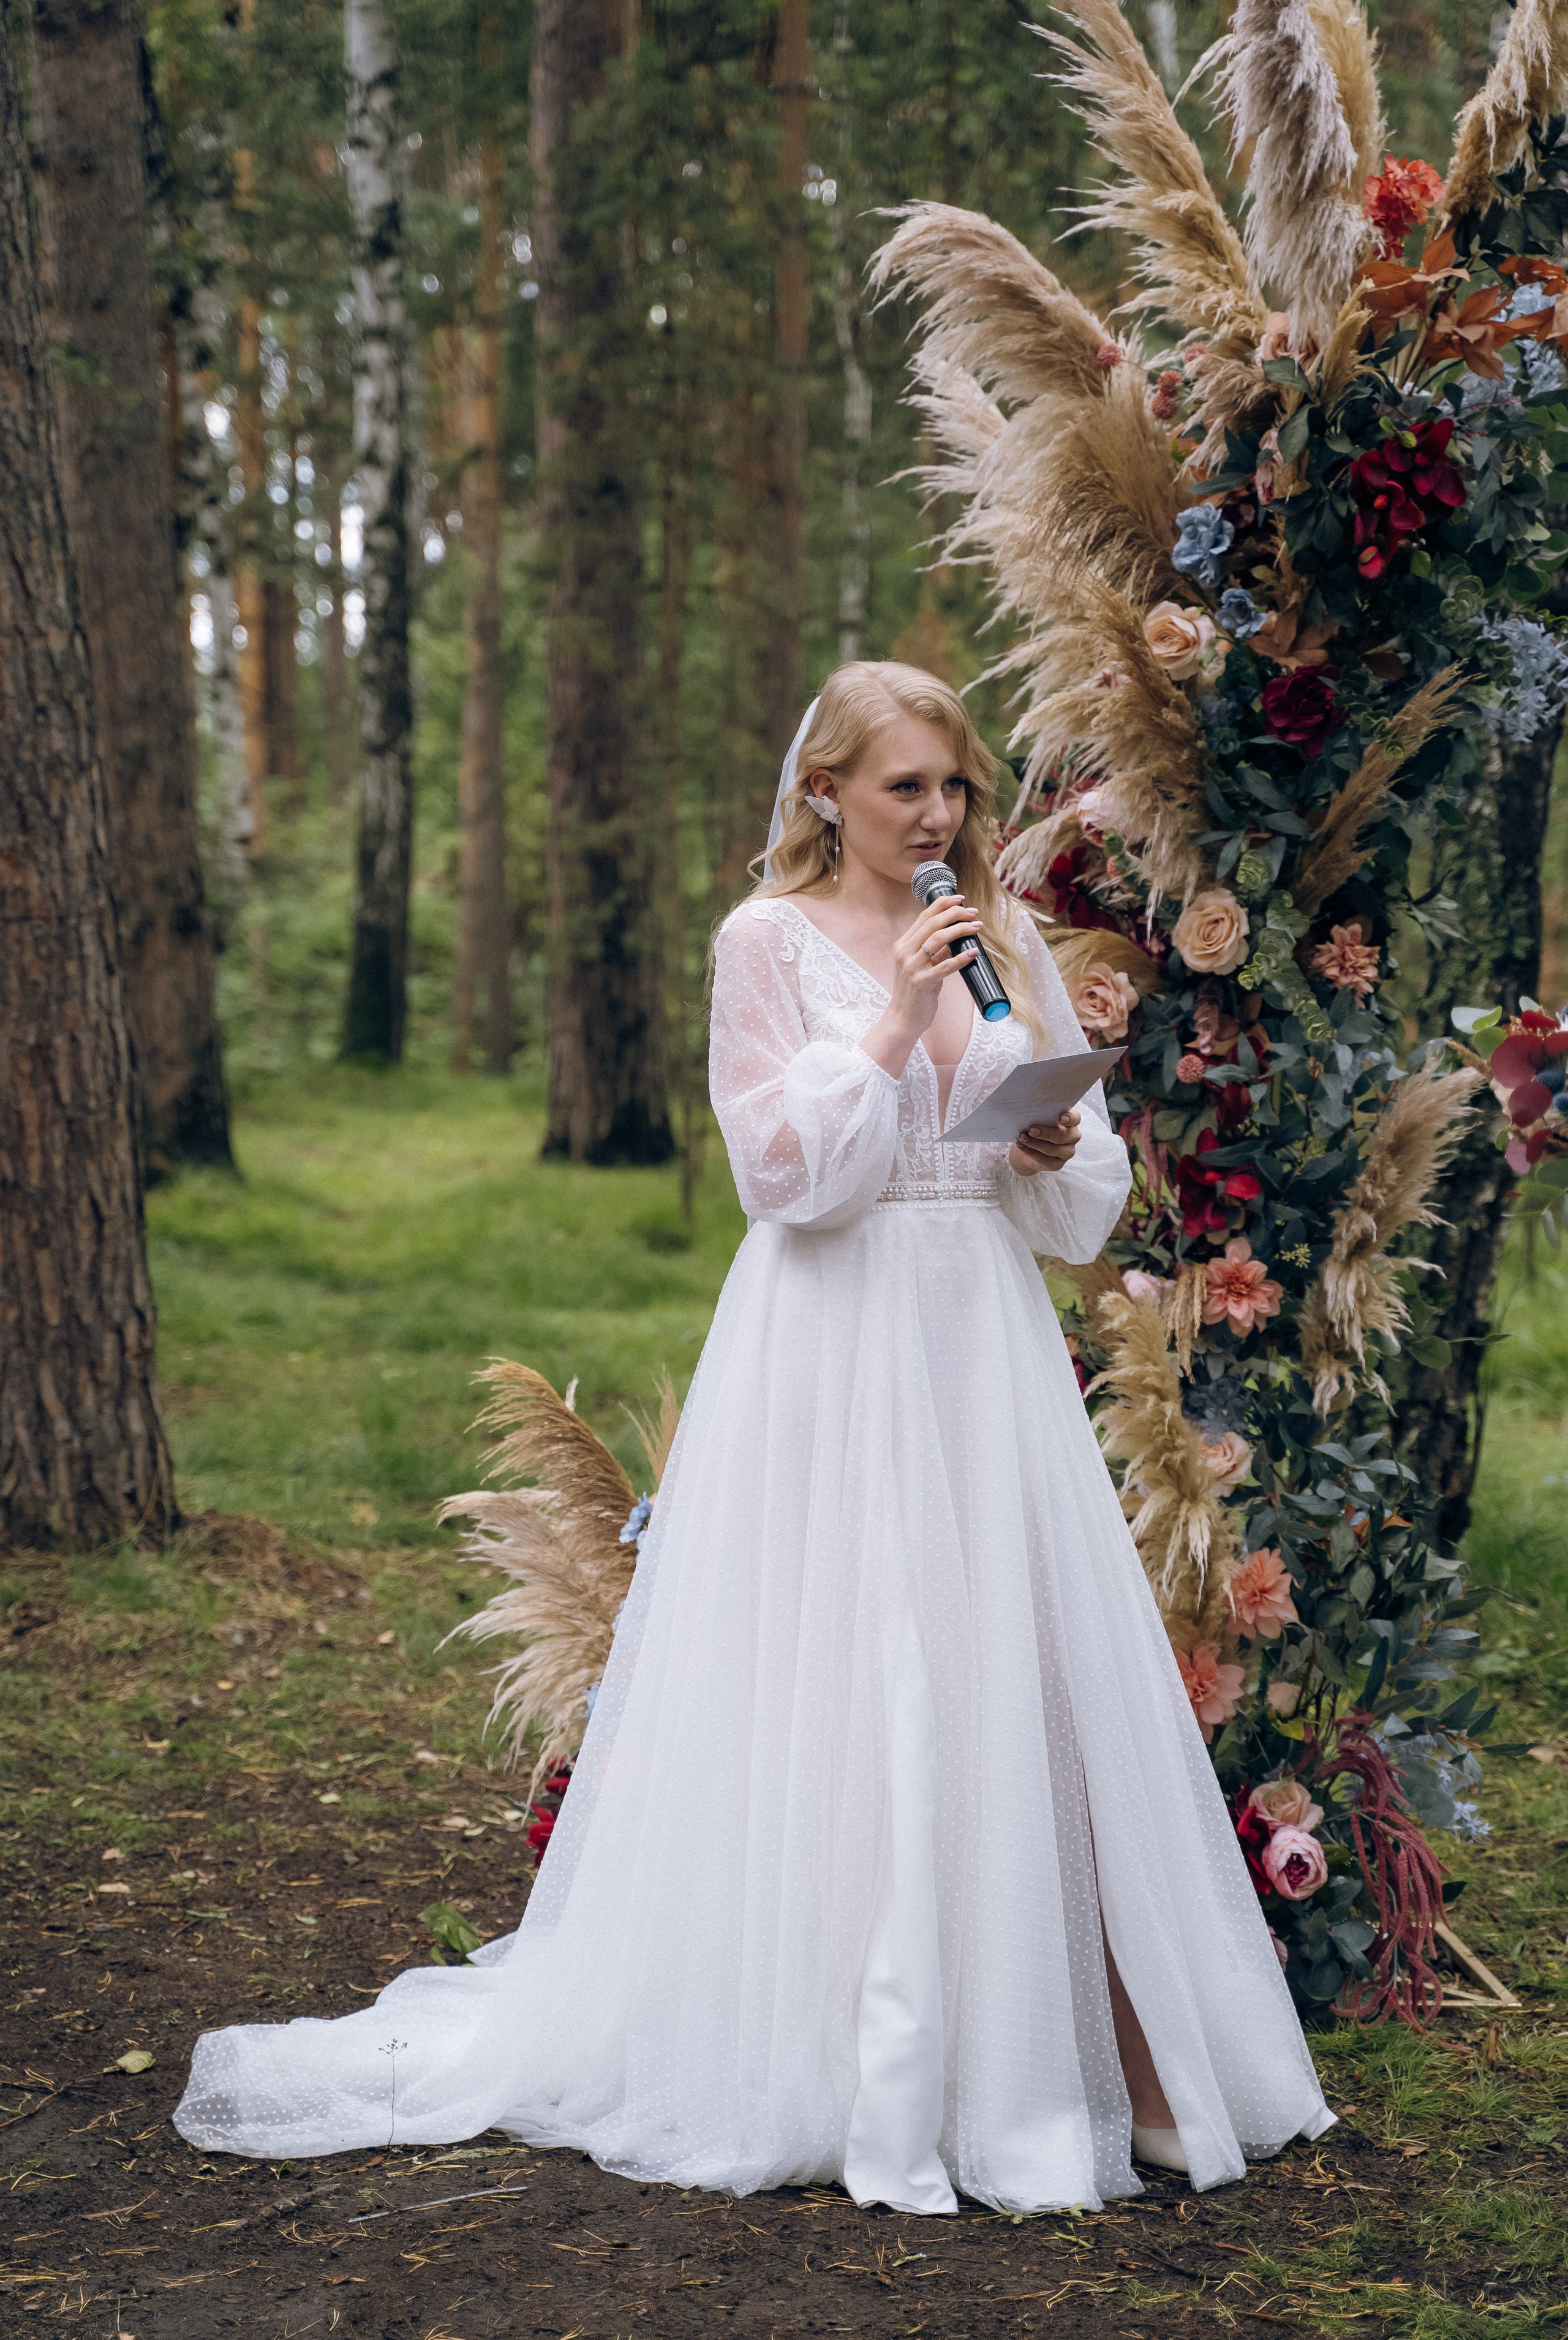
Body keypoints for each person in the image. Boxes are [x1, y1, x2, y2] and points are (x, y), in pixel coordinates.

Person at [175, 660, 1332, 2213]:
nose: (936, 817)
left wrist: (1052, 1139)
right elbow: (784, 1179)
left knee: (1025, 1674)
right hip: (828, 1334)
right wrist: (900, 1016)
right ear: (825, 795)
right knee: (853, 1672)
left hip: (975, 1336)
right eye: (904, 787)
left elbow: (1074, 1207)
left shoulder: (1008, 945)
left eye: (953, 788)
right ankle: (846, 2054)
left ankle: (1085, 2062)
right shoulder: (767, 943)